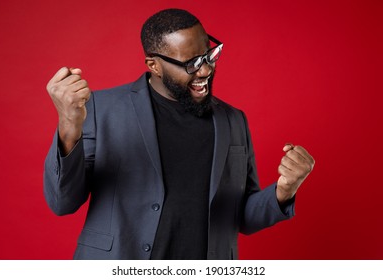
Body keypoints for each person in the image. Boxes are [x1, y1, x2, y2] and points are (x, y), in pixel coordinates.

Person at [44, 8, 314, 260]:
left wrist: (284, 191)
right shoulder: (100, 109)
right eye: (192, 63)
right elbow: (62, 203)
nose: (206, 70)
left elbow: (241, 217)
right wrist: (69, 124)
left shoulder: (233, 121)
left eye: (209, 55)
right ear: (154, 65)